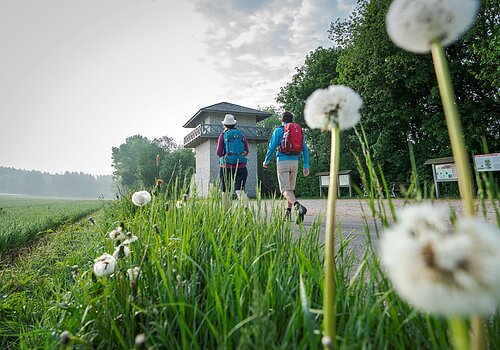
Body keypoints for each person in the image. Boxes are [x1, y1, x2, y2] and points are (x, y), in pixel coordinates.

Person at [263, 111, 310, 223]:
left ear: (282, 120)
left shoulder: (279, 130)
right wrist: (306, 165)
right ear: (291, 119)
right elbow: (304, 149)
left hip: (283, 162)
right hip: (295, 162)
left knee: (285, 190)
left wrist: (266, 161)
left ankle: (298, 206)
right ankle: (288, 213)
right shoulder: (298, 131)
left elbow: (272, 147)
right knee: (291, 189)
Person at [217, 114, 249, 208]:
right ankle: (246, 208)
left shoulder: (223, 136)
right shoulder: (241, 135)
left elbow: (219, 153)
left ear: (225, 125)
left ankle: (225, 212)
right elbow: (246, 151)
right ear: (234, 124)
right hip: (241, 166)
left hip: (226, 167)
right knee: (239, 190)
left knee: (225, 190)